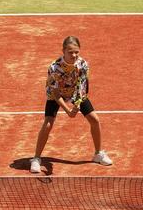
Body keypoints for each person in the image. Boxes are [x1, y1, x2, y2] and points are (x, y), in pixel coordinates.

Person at [30, 36, 112, 174]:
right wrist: (68, 111)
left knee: (94, 120)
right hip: (56, 95)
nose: (74, 55)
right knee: (48, 123)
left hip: (75, 92)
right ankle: (36, 158)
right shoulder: (54, 67)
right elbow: (55, 93)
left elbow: (82, 87)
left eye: (76, 52)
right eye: (70, 52)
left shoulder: (83, 65)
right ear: (63, 51)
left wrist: (77, 104)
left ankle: (98, 154)